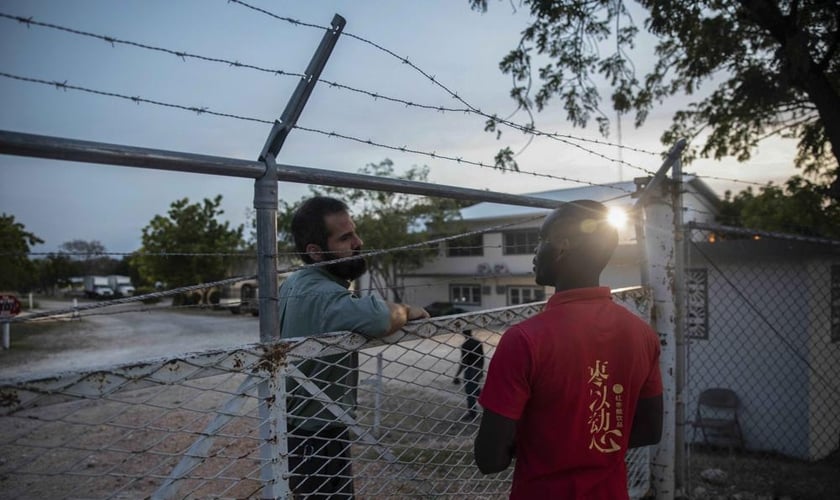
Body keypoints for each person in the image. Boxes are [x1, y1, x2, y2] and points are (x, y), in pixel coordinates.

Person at [474, 200, 663, 499]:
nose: (536, 252)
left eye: (541, 240)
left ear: (562, 247)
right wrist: (590, 445)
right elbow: (650, 430)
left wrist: (544, 444)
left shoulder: (524, 339)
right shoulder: (642, 334)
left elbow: (489, 459)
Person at [278, 196, 429, 499]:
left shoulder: (295, 283)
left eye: (355, 232)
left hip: (306, 426)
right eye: (345, 237)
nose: (358, 242)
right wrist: (408, 310)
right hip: (315, 433)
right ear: (316, 252)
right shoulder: (323, 295)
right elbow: (378, 318)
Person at [452, 329, 485, 421]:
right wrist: (481, 370)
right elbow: (482, 357)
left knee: (470, 392)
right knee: (475, 389)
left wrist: (457, 375)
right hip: (477, 368)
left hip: (470, 369)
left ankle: (472, 413)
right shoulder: (478, 342)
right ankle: (487, 405)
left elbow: (464, 361)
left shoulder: (465, 345)